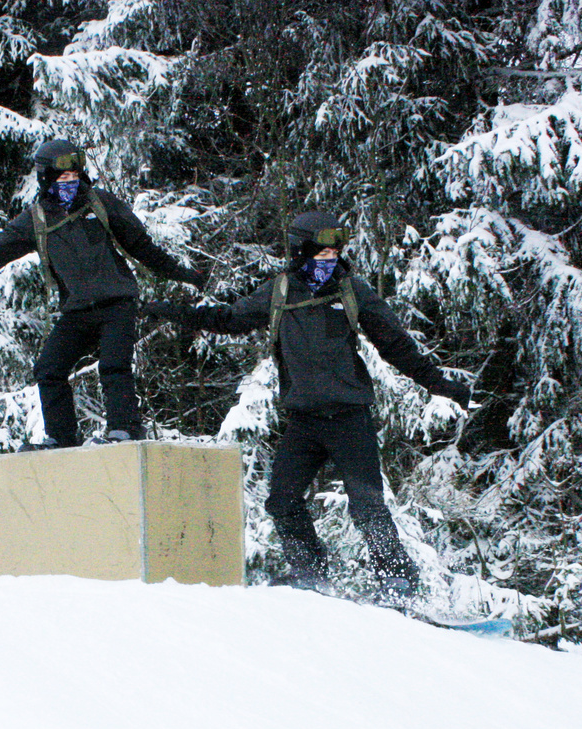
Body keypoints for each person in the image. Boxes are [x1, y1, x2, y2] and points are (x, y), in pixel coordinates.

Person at [142, 210, 473, 602]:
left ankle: (399, 582)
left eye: (335, 254)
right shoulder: (280, 291)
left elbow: (396, 344)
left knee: (367, 504)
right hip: (304, 422)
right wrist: (167, 311)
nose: (329, 262)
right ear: (300, 253)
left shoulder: (352, 290)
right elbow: (229, 319)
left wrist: (442, 385)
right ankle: (313, 578)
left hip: (351, 417)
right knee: (281, 502)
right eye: (321, 255)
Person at [0, 139, 208, 449]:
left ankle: (125, 431)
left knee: (113, 366)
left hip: (118, 302)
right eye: (62, 179)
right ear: (46, 180)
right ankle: (61, 440)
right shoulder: (36, 219)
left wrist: (183, 274)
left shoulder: (101, 203)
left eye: (74, 178)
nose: (70, 184)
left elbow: (142, 247)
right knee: (49, 369)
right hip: (77, 310)